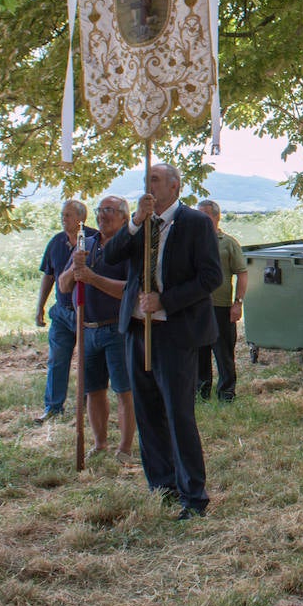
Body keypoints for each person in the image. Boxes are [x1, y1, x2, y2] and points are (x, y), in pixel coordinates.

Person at [103, 164, 223, 520]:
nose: (148, 186)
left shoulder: (195, 223)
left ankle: (193, 496)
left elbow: (211, 277)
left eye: (154, 180)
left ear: (175, 185)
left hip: (174, 332)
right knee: (147, 411)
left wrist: (165, 300)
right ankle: (162, 486)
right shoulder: (142, 223)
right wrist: (136, 221)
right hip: (138, 330)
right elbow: (111, 257)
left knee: (177, 414)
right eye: (146, 181)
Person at [61, 196, 134, 462]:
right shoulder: (86, 245)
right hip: (87, 328)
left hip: (117, 328)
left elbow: (130, 290)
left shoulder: (128, 247)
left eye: (110, 211)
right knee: (93, 389)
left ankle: (124, 448)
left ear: (124, 217)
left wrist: (92, 278)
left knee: (124, 390)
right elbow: (63, 285)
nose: (103, 215)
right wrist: (75, 270)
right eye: (100, 210)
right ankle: (100, 443)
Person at [34, 200, 95, 424]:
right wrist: (40, 305)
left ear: (81, 218)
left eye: (68, 215)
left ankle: (89, 408)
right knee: (57, 359)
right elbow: (48, 275)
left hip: (87, 313)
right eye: (62, 214)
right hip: (61, 312)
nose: (63, 218)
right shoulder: (57, 242)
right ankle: (53, 407)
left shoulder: (93, 240)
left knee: (88, 361)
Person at [195, 200, 248, 402]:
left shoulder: (227, 243)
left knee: (224, 353)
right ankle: (201, 392)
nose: (201, 219)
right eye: (198, 215)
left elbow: (242, 273)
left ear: (217, 217)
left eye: (206, 215)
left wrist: (238, 303)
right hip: (197, 307)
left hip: (222, 307)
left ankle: (226, 393)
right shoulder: (191, 241)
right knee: (199, 352)